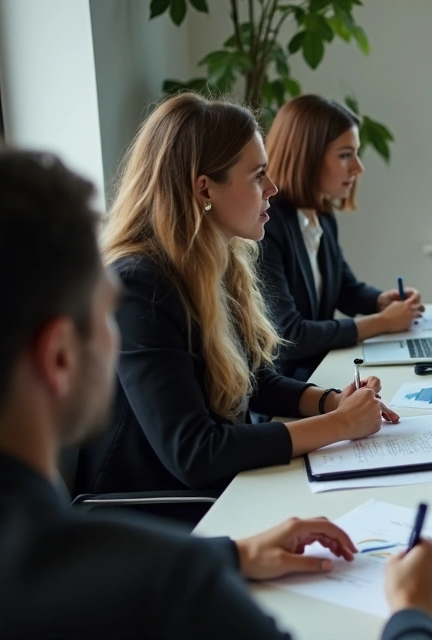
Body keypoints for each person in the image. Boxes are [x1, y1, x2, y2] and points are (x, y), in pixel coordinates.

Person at [0, 145, 432, 639]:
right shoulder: (173, 589)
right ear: (59, 357)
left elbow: (245, 377)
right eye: (104, 315)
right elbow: (193, 450)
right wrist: (412, 613)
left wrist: (235, 553)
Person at [75, 93, 399, 498]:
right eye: (257, 175)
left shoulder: (216, 260)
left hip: (221, 489)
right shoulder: (140, 286)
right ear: (205, 189)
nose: (273, 188)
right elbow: (195, 454)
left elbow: (251, 381)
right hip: (154, 513)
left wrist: (332, 402)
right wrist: (339, 426)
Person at [261, 95, 424, 382]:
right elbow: (289, 335)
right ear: (307, 156)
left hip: (318, 372)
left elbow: (344, 288)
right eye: (345, 155)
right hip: (287, 389)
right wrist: (382, 323)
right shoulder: (267, 225)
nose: (358, 168)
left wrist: (379, 302)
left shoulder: (321, 214)